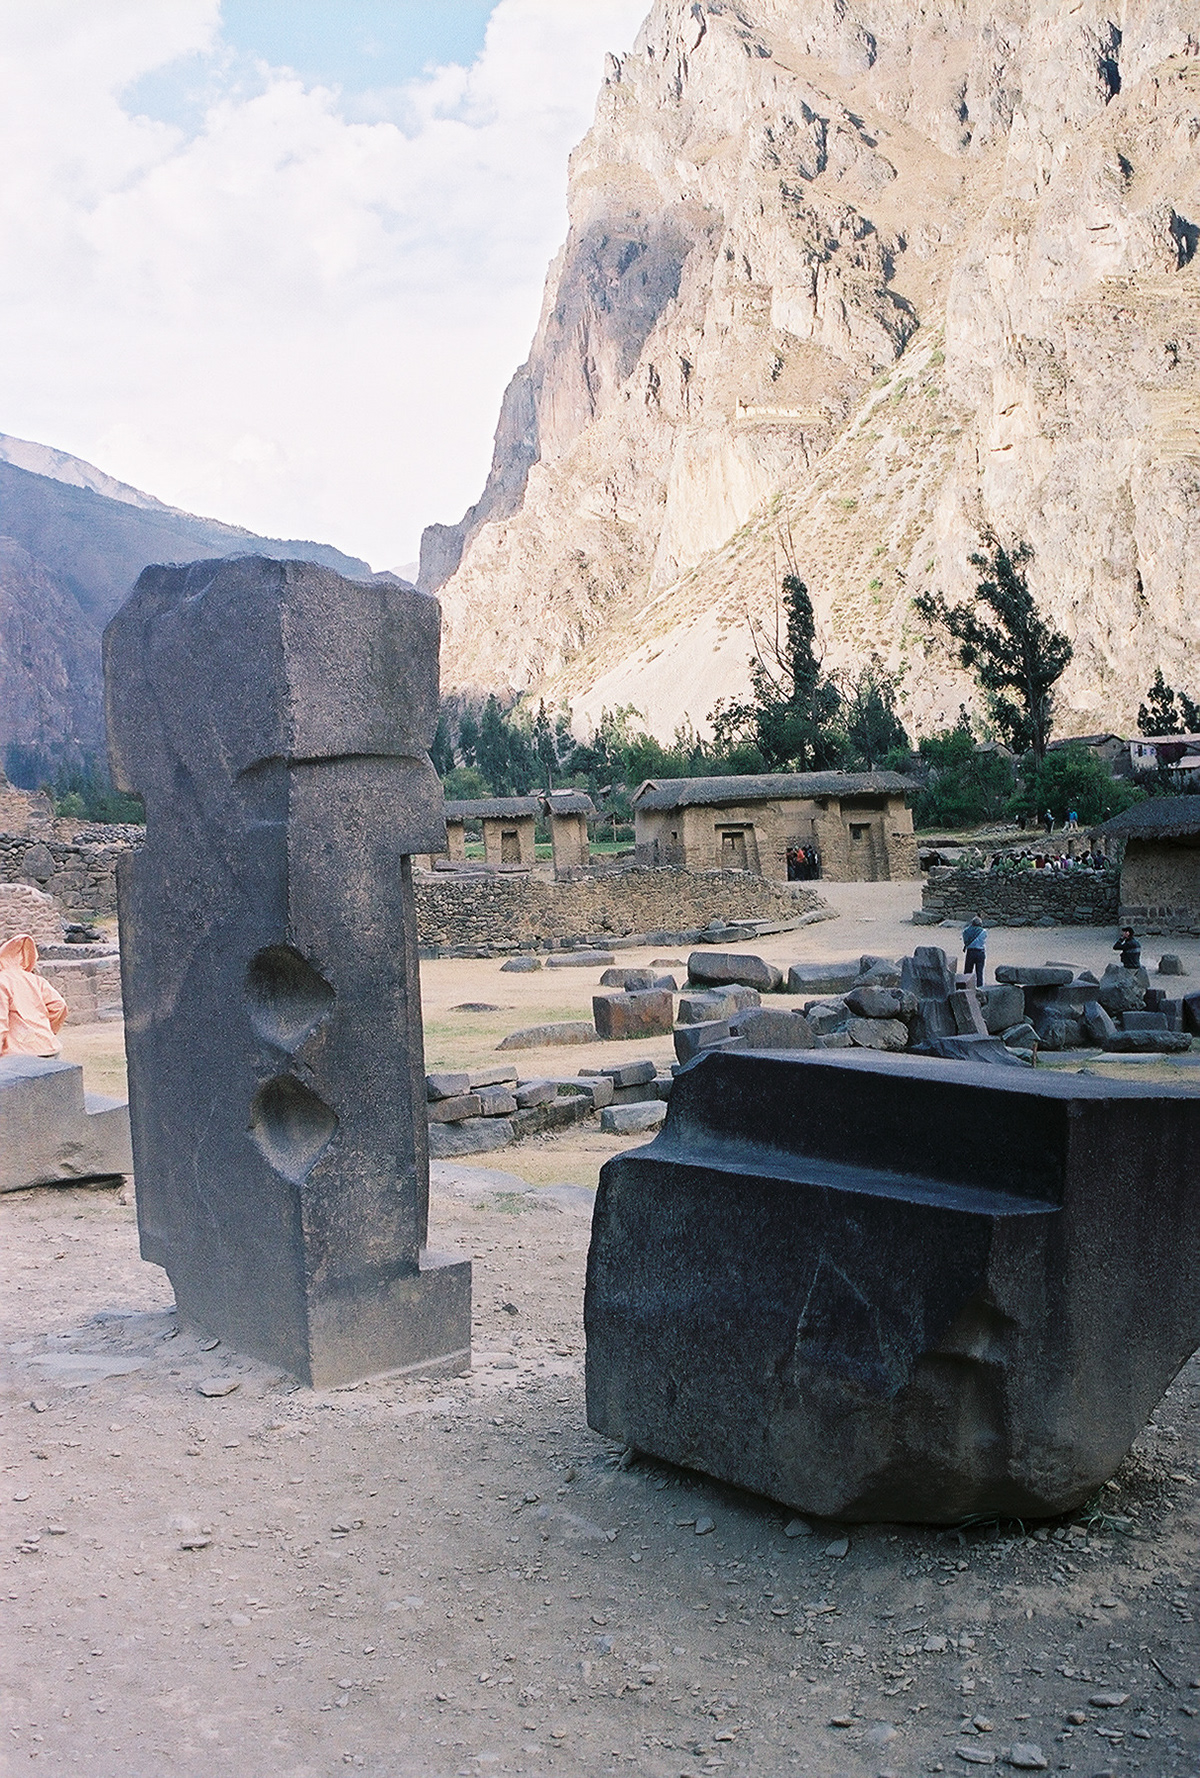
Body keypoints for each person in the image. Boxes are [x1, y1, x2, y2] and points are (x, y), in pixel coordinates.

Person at [0, 934, 69, 1057]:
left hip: (20, 1054)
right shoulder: (36, 980)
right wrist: (46, 1029)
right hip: (49, 1047)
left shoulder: (2, 981)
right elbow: (59, 1005)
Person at [961, 913, 988, 988]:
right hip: (980, 952)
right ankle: (980, 988)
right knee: (979, 972)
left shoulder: (966, 931)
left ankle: (965, 987)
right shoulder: (984, 932)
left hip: (970, 952)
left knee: (967, 972)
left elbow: (965, 939)